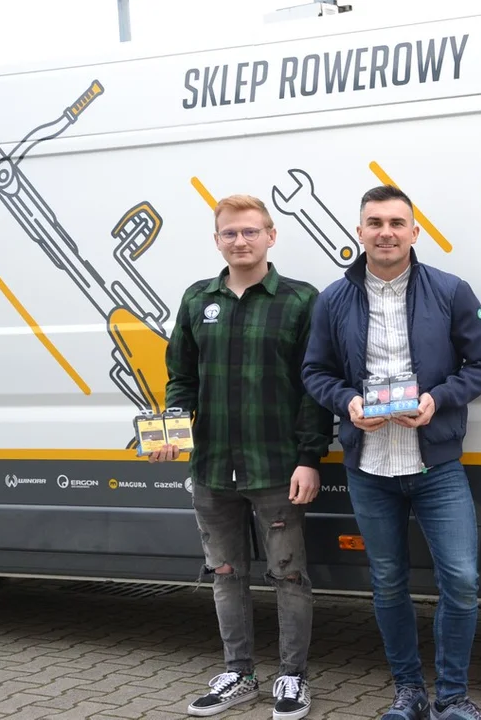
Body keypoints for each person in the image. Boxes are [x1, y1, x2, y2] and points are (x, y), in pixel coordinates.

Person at [300, 185, 481, 720]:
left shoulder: (450, 291)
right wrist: (347, 402)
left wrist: (439, 399)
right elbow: (314, 371)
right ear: (359, 232)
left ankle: (452, 697)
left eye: (396, 223)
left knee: (461, 580)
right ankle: (409, 693)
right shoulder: (334, 299)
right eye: (375, 223)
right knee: (388, 582)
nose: (385, 233)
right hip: (369, 467)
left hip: (436, 465)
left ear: (414, 232)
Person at [150, 194, 334, 720]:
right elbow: (181, 377)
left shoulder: (300, 300)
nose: (240, 241)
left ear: (271, 236)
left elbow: (314, 386)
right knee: (226, 572)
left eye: (251, 231)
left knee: (288, 574)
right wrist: (174, 425)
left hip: (277, 466)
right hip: (211, 466)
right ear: (217, 240)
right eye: (230, 233)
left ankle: (292, 677)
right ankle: (239, 674)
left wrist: (309, 457)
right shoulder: (197, 299)